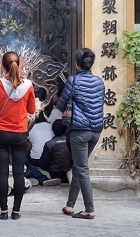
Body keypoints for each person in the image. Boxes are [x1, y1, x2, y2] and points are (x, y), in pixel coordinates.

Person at [0, 51, 36, 220]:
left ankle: (3, 211)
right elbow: (31, 110)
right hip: (20, 133)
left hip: (0, 133)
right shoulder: (28, 85)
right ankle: (16, 211)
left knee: (2, 173)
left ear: (2, 66)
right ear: (19, 65)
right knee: (18, 173)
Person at [56, 48, 104, 220]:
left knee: (82, 170)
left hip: (79, 132)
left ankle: (89, 209)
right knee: (78, 167)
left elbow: (61, 105)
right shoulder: (99, 82)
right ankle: (70, 205)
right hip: (96, 131)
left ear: (77, 64)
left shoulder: (73, 80)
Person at [40, 119, 72, 183]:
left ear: (53, 130)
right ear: (66, 129)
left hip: (54, 174)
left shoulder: (49, 144)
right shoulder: (72, 142)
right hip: (69, 173)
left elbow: (43, 163)